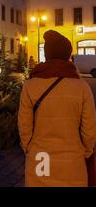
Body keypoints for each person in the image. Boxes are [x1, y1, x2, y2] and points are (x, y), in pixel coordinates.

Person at [18, 30, 96, 187]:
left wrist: (29, 147)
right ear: (68, 56)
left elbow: (24, 125)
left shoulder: (30, 86)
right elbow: (89, 130)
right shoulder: (82, 87)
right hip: (72, 160)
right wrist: (86, 151)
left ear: (46, 55)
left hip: (41, 158)